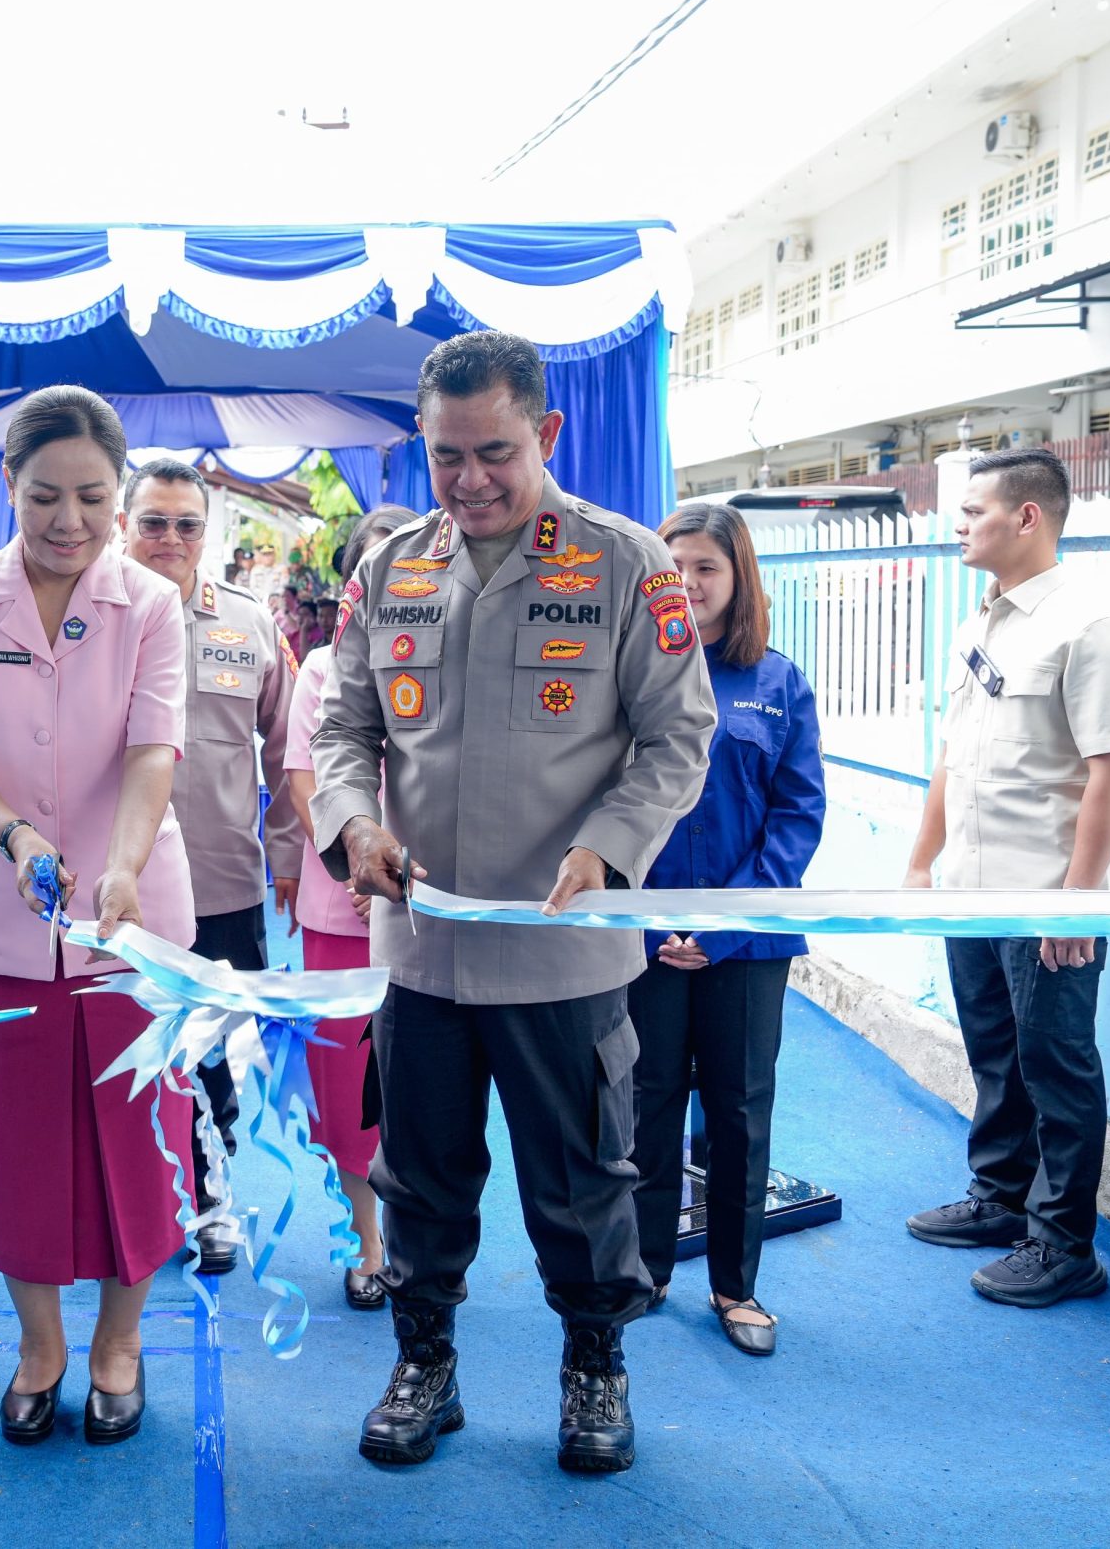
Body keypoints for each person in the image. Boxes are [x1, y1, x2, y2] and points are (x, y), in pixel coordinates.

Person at [312, 331, 714, 1475]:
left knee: (585, 1184)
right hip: (424, 951)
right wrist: (353, 824)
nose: (469, 479)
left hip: (566, 955)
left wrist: (606, 850)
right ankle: (423, 1363)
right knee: (419, 1179)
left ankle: (595, 1368)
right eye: (446, 456)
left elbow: (678, 735)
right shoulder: (392, 570)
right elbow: (343, 730)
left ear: (546, 434)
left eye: (494, 451)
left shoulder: (625, 563)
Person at [0, 386, 197, 1448]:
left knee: (138, 1137)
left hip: (134, 922)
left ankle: (118, 1344)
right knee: (16, 1144)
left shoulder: (150, 606)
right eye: (45, 496)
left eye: (92, 496)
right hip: (1, 914)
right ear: (8, 484)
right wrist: (15, 836)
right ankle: (39, 1345)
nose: (69, 520)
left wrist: (118, 868)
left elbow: (150, 753)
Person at [905, 449, 1110, 1308]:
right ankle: (1002, 1198)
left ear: (1028, 517)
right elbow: (951, 756)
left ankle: (1064, 1247)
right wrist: (921, 862)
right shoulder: (982, 623)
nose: (959, 525)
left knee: (1056, 1064)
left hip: (1047, 894)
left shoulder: (1088, 625)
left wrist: (1076, 899)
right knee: (995, 1054)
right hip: (972, 889)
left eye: (973, 511)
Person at [630, 502, 825, 1359]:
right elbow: (603, 803)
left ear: (738, 576)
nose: (691, 582)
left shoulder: (779, 683)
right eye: (675, 565)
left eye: (707, 566)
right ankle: (644, 1270)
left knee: (740, 1110)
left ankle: (735, 1285)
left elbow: (797, 814)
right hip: (641, 938)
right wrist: (644, 930)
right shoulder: (628, 674)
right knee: (646, 1106)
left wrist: (728, 924)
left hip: (748, 945)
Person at [119, 456, 302, 1274]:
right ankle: (130, 1204)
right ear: (125, 524)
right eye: (153, 521)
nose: (169, 538)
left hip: (223, 876)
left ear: (207, 531)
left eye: (186, 524)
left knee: (216, 1052)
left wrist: (290, 853)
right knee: (124, 1049)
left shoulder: (248, 622)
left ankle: (212, 1201)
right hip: (119, 885)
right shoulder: (90, 615)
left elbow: (286, 742)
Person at [282, 503, 417, 1310]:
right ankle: (367, 1242)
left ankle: (425, 1239)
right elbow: (305, 779)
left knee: (433, 1083)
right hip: (345, 910)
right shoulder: (323, 671)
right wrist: (352, 866)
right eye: (371, 568)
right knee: (348, 1091)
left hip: (435, 908)